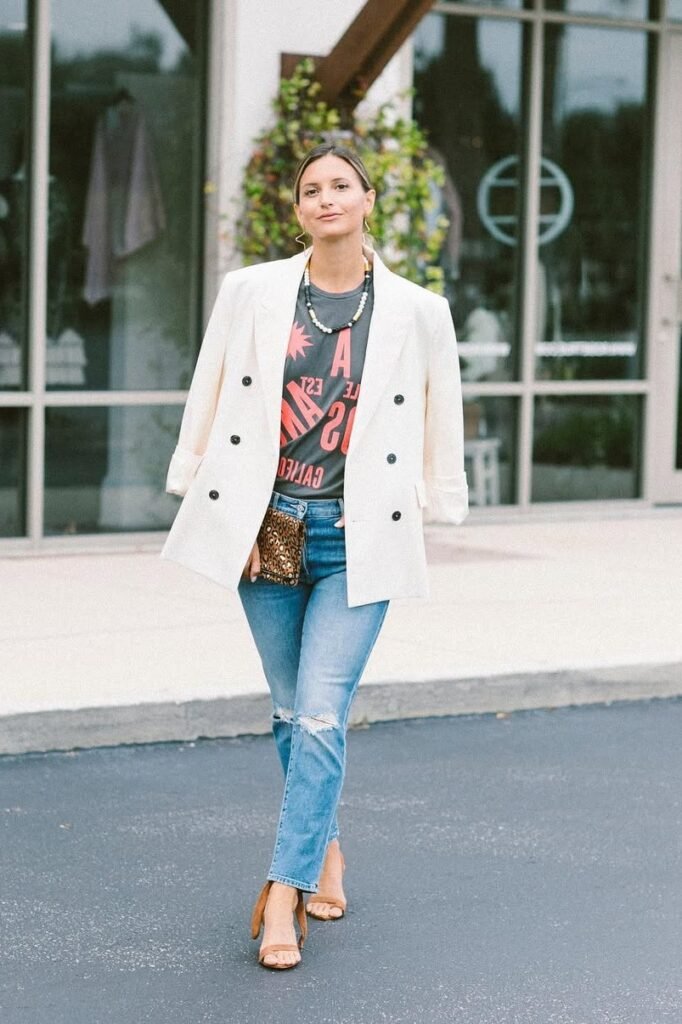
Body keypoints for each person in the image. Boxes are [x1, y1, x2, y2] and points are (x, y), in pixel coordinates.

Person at [160, 143, 468, 970]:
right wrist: (198, 481)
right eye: (310, 190)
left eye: (340, 185)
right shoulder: (252, 292)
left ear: (368, 199)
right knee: (291, 710)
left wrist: (439, 501)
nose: (325, 198)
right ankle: (326, 847)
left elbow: (441, 415)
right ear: (298, 210)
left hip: (358, 532)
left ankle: (282, 894)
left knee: (323, 712)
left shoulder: (419, 311)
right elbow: (210, 385)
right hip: (269, 525)